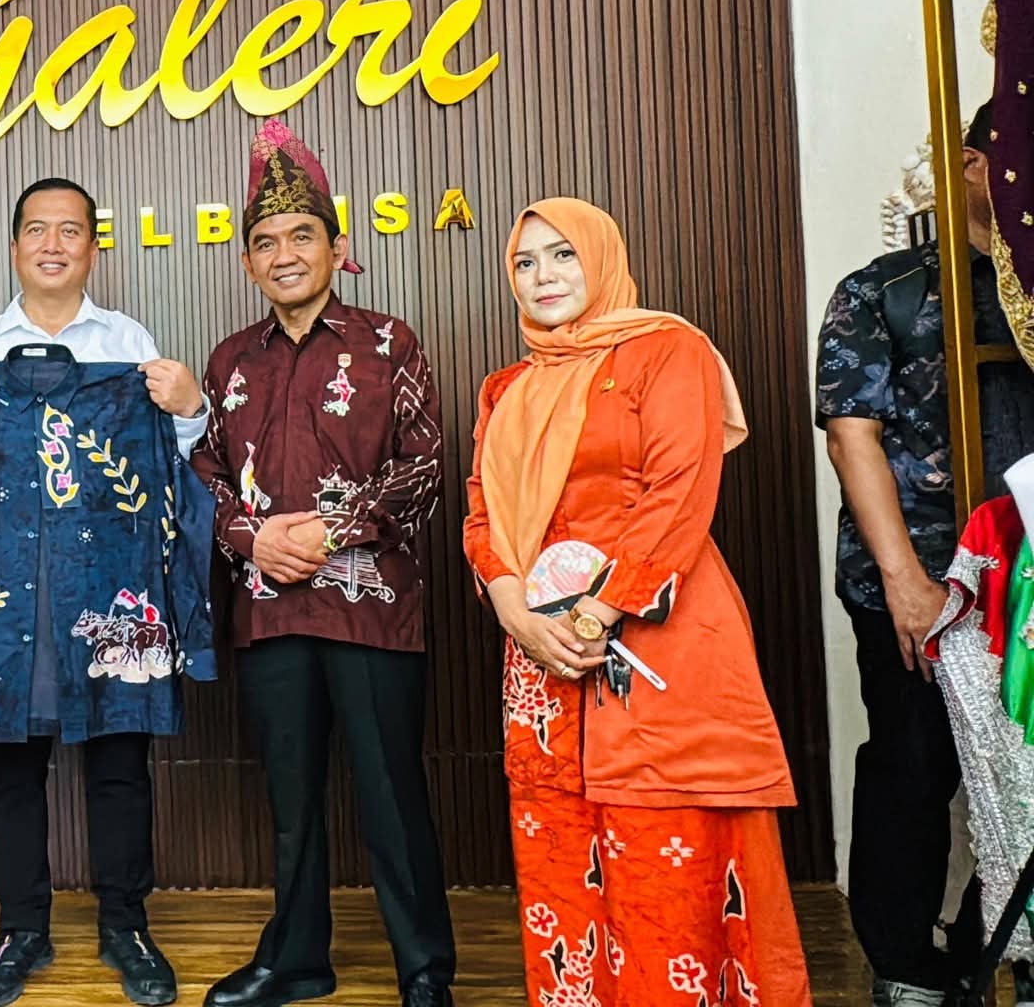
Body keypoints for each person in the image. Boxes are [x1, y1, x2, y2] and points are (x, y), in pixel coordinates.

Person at [464, 197, 809, 1004]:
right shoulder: (506, 387)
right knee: (560, 863)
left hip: (657, 638)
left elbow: (678, 494)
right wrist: (513, 611)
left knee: (666, 865)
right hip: (540, 659)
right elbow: (483, 512)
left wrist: (596, 615)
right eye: (525, 262)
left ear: (602, 257)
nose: (544, 275)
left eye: (563, 254)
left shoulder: (669, 350)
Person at [0, 177, 206, 1007]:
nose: (53, 245)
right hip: (6, 600)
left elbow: (172, 465)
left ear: (93, 247)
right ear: (14, 245)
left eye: (70, 231)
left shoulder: (129, 342)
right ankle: (20, 928)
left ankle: (127, 926)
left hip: (110, 592)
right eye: (37, 230)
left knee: (121, 764)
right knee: (13, 771)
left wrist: (190, 407)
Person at [191, 118, 455, 1007]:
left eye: (302, 236)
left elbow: (424, 465)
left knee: (391, 793)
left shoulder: (388, 343)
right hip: (268, 609)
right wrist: (254, 540)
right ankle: (296, 960)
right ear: (247, 264)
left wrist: (332, 533)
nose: (285, 255)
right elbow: (204, 475)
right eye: (265, 243)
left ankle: (426, 971)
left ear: (337, 249)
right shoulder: (229, 360)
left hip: (370, 606)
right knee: (291, 799)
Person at [819, 101, 1034, 1006]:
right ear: (976, 166)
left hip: (1025, 580)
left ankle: (1000, 947)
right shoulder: (885, 288)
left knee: (1025, 772)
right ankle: (906, 967)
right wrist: (906, 581)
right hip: (922, 578)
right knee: (914, 769)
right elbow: (852, 435)